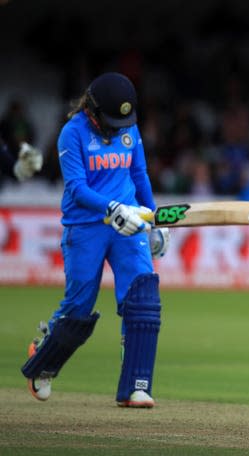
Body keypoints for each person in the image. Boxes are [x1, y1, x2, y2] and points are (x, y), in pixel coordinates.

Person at [20, 72, 170, 408]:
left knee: (143, 299)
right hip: (86, 225)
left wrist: (153, 218)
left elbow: (138, 174)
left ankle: (136, 386)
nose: (118, 128)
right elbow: (77, 188)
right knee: (78, 308)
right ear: (92, 109)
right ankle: (43, 363)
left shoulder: (128, 129)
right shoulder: (72, 133)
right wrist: (111, 207)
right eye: (111, 121)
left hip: (129, 225)